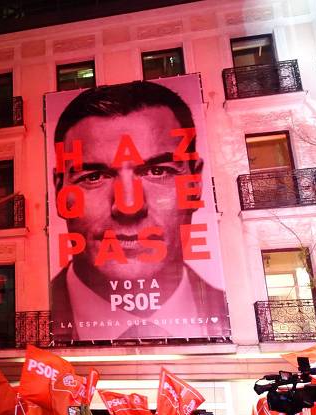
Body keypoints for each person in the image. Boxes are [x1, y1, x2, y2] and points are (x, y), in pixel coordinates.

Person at [50, 80, 228, 341]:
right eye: (94, 176)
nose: (128, 206)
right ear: (59, 191)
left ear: (195, 182)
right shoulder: (39, 317)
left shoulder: (226, 310)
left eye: (158, 171)